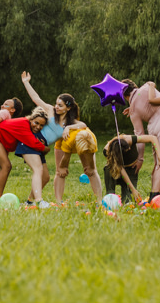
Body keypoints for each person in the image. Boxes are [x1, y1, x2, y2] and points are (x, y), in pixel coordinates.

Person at [22, 71, 102, 204]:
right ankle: (56, 202)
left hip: (68, 142)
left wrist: (68, 128)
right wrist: (26, 83)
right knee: (58, 172)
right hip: (46, 142)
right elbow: (36, 99)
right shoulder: (50, 111)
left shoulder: (72, 122)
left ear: (68, 108)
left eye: (60, 105)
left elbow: (83, 124)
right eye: (56, 104)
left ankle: (99, 201)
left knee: (90, 170)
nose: (56, 107)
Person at [0, 108, 50, 198]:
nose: (38, 127)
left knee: (6, 166)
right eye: (36, 123)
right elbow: (33, 143)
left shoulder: (27, 125)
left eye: (41, 125)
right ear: (31, 119)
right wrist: (46, 149)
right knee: (6, 166)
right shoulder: (24, 124)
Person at [121, 79, 160, 201]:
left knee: (159, 160)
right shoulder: (146, 88)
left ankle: (154, 192)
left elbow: (139, 136)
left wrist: (140, 158)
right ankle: (155, 194)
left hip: (152, 127)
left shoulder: (133, 110)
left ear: (124, 95)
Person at [103, 133, 160, 203]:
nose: (129, 149)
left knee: (129, 202)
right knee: (108, 168)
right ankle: (110, 198)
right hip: (116, 171)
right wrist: (133, 189)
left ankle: (126, 194)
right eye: (127, 150)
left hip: (131, 170)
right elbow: (120, 169)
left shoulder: (129, 139)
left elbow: (153, 138)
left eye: (129, 147)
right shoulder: (108, 151)